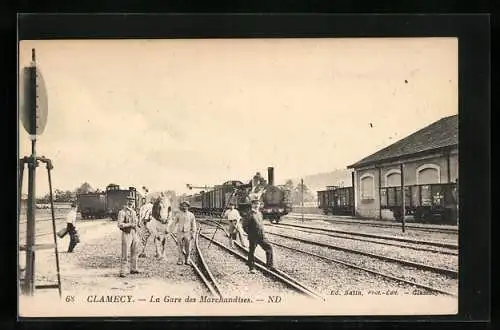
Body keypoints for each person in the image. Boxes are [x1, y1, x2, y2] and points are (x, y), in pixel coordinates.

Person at [243, 199, 275, 273]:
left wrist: (262, 232)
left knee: (269, 248)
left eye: (258, 204)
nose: (257, 205)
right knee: (252, 251)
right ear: (252, 205)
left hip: (261, 236)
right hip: (253, 236)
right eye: (255, 204)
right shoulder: (249, 214)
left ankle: (269, 266)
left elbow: (260, 225)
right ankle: (251, 267)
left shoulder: (260, 213)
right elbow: (244, 226)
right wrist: (250, 233)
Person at [117, 197, 141, 277]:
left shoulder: (134, 212)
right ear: (126, 202)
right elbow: (120, 224)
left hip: (134, 233)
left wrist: (138, 224)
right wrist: (130, 224)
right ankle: (123, 271)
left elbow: (136, 223)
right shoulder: (122, 212)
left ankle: (133, 268)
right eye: (129, 201)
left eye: (132, 201)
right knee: (125, 252)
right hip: (126, 233)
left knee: (135, 251)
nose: (131, 203)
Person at [171, 201, 197, 265]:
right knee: (180, 247)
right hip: (180, 232)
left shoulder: (191, 215)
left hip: (187, 233)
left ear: (188, 207)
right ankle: (180, 260)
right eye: (183, 206)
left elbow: (194, 225)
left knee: (188, 248)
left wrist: (193, 233)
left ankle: (187, 260)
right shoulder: (178, 214)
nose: (185, 207)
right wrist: (173, 231)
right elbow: (174, 223)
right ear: (181, 207)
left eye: (186, 206)